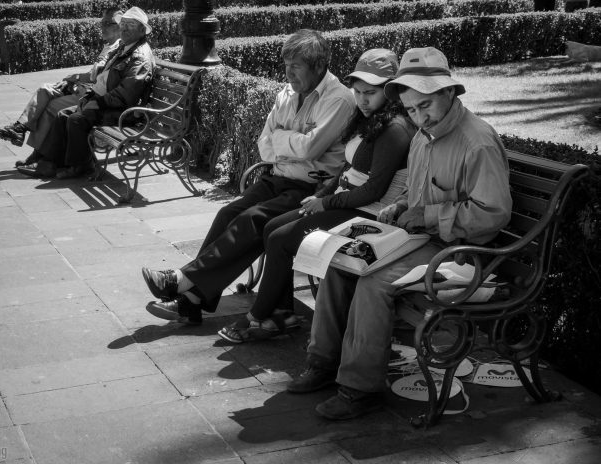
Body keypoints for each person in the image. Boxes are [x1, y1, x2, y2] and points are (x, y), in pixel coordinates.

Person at [286, 47, 513, 421]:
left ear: (448, 93)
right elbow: (422, 191)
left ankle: (360, 388)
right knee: (341, 261)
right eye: (410, 109)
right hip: (424, 239)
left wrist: (425, 214)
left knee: (374, 283)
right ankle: (323, 362)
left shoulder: (478, 142)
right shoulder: (425, 135)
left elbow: (491, 215)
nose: (418, 116)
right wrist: (404, 204)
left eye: (425, 105)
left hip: (463, 253)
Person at [141, 29, 356, 325]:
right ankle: (191, 297)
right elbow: (265, 146)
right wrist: (293, 140)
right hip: (277, 176)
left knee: (253, 219)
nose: (289, 73)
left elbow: (311, 148)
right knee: (228, 213)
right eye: (286, 65)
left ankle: (183, 284)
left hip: (311, 187)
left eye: (296, 66)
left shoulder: (339, 99)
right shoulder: (287, 93)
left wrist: (284, 140)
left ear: (318, 66)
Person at [217, 49, 416, 343]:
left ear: (390, 91)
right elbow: (348, 167)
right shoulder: (369, 119)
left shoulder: (394, 129)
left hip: (369, 214)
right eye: (358, 91)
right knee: (272, 227)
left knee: (281, 239)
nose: (362, 99)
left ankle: (258, 316)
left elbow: (373, 190)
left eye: (370, 93)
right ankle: (282, 313)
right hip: (345, 201)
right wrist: (325, 191)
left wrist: (325, 202)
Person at [16, 6, 155, 179]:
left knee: (76, 119)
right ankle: (49, 163)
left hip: (124, 113)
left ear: (142, 30)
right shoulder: (126, 48)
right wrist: (90, 96)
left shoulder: (140, 56)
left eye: (131, 25)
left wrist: (99, 102)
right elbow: (102, 78)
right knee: (63, 114)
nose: (124, 28)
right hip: (110, 104)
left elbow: (125, 95)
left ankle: (81, 165)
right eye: (123, 23)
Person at [0, 7, 123, 169]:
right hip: (84, 89)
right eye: (102, 22)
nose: (102, 26)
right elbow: (96, 74)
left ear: (119, 27)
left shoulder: (117, 47)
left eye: (107, 23)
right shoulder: (110, 45)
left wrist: (75, 79)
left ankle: (39, 153)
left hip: (91, 96)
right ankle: (21, 131)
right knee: (45, 89)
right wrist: (73, 81)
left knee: (50, 107)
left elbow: (97, 77)